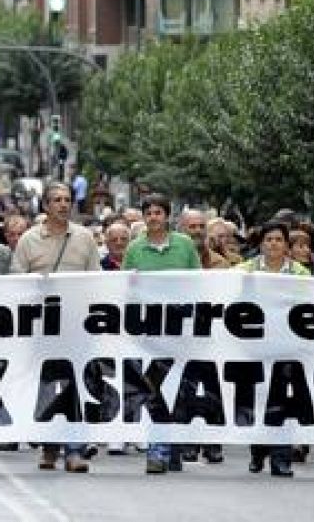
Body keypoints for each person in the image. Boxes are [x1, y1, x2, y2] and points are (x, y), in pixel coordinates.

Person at [9, 181, 99, 473]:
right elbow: (16, 282)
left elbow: (97, 279)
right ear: (46, 206)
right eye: (57, 200)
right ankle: (48, 447)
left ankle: (73, 450)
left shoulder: (85, 238)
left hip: (76, 327)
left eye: (67, 199)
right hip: (41, 327)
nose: (63, 204)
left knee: (75, 386)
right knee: (46, 387)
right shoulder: (29, 240)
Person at [121, 194, 201, 474]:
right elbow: (127, 289)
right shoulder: (135, 248)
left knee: (177, 390)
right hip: (148, 328)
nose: (153, 217)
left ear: (167, 216)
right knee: (152, 388)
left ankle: (171, 449)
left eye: (158, 212)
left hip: (178, 326)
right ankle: (159, 448)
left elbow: (198, 283)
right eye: (149, 213)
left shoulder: (185, 245)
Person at [233, 221, 307, 477]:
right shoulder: (245, 270)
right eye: (269, 239)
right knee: (257, 399)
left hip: (287, 346)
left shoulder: (300, 273)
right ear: (261, 243)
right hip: (254, 346)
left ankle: (281, 457)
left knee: (283, 401)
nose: (273, 244)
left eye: (278, 239)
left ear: (286, 244)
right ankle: (258, 449)